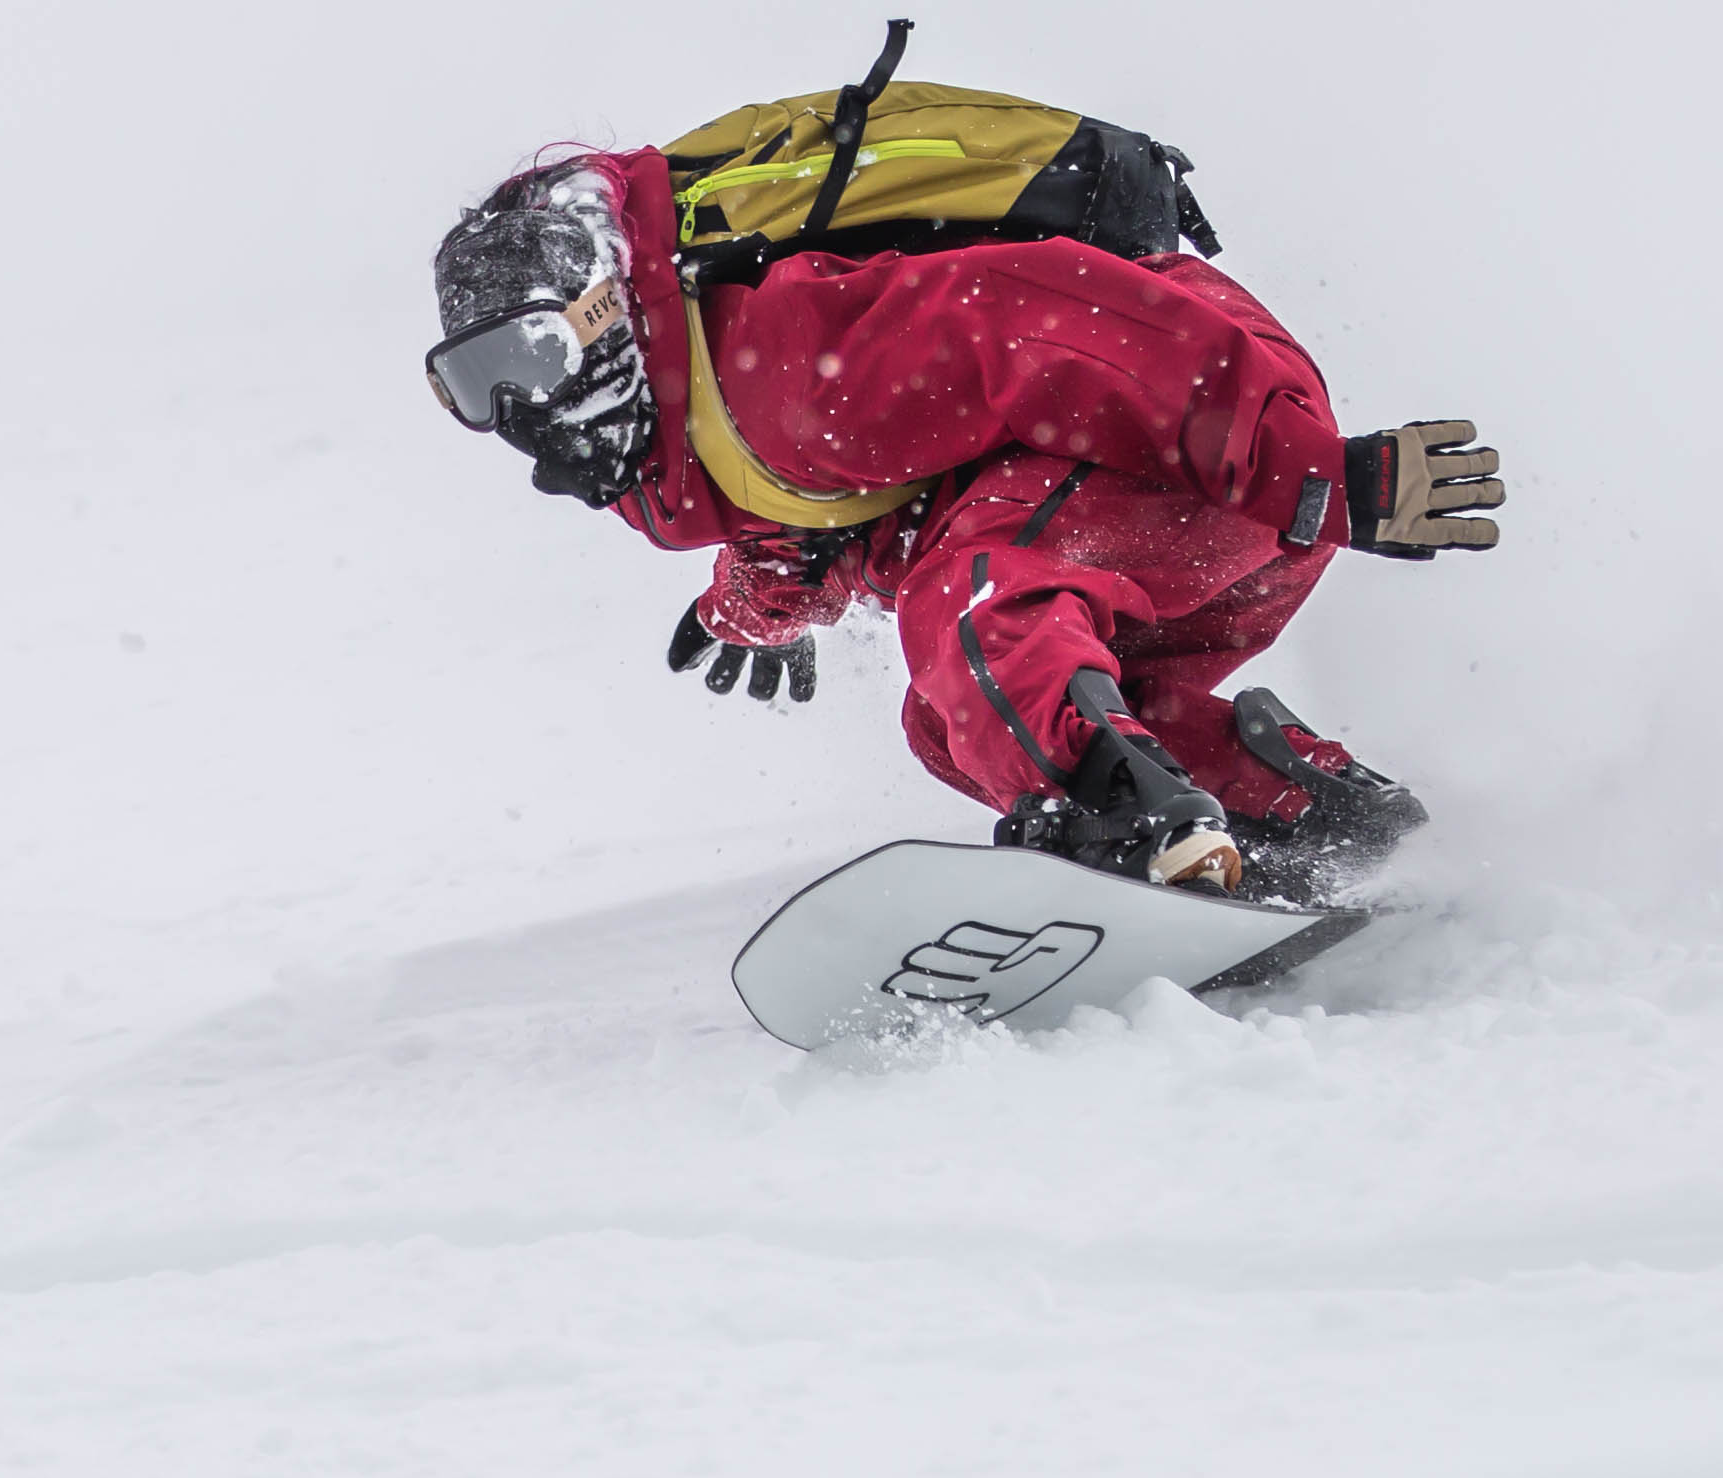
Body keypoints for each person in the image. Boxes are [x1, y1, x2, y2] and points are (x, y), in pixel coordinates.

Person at [424, 58, 1504, 903]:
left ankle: (1134, 831)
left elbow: (1048, 321)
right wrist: (747, 613)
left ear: (601, 314)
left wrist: (1317, 477)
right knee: (950, 718)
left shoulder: (782, 361)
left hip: (1195, 421)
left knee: (974, 617)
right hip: (1172, 490)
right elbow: (813, 529)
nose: (516, 407)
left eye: (525, 356)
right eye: (471, 385)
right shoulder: (707, 427)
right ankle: (1295, 813)